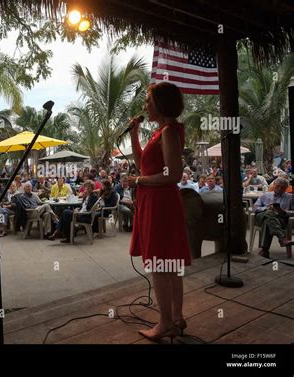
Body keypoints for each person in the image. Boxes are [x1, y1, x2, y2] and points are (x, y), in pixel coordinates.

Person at [128, 82, 191, 342]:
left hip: (160, 203)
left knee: (160, 263)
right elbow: (143, 163)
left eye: (149, 100)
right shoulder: (163, 132)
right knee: (170, 262)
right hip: (158, 201)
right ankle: (176, 317)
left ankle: (165, 322)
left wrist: (139, 182)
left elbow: (173, 174)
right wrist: (134, 135)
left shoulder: (167, 132)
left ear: (161, 103)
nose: (145, 105)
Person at [253, 177, 294, 258]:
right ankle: (282, 238)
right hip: (262, 215)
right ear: (274, 185)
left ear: (286, 188)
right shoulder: (265, 195)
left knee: (267, 221)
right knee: (269, 213)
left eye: (282, 187)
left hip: (280, 218)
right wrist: (266, 208)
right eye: (278, 186)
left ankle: (264, 250)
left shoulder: (290, 197)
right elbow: (255, 208)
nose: (279, 188)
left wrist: (283, 211)